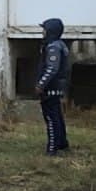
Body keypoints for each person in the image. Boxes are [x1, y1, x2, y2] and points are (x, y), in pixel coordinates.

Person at [34, 17, 71, 155]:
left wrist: (40, 85)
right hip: (56, 87)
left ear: (50, 30)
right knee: (57, 116)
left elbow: (51, 69)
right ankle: (62, 143)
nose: (42, 32)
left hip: (51, 88)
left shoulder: (53, 47)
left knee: (51, 117)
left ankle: (52, 148)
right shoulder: (59, 45)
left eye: (44, 29)